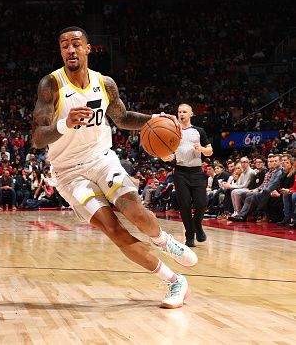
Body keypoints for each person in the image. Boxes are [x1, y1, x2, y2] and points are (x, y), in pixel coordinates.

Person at [31, 26, 197, 309]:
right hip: (69, 173)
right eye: (64, 46)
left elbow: (121, 118)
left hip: (101, 159)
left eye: (76, 44)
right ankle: (174, 281)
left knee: (133, 209)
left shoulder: (104, 83)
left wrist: (152, 119)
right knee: (114, 229)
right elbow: (37, 137)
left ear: (88, 49)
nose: (70, 50)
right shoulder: (51, 84)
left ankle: (163, 240)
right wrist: (64, 123)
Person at [163, 103, 213, 247]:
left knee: (201, 204)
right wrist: (165, 157)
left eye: (185, 111)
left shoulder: (199, 131)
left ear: (191, 114)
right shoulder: (172, 131)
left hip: (197, 172)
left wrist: (202, 148)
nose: (182, 114)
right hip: (180, 172)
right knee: (184, 206)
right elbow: (164, 152)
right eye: (179, 112)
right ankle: (189, 235)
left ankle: (197, 225)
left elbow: (210, 151)